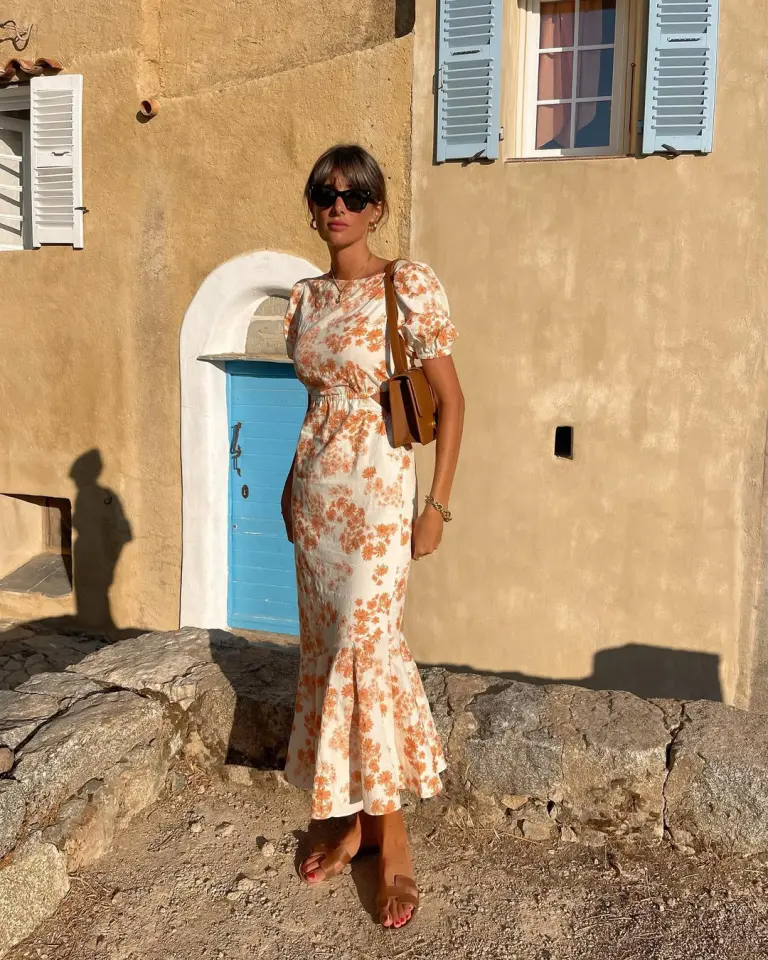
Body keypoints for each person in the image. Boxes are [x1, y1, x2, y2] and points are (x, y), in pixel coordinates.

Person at [280, 144, 464, 929]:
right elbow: (314, 406)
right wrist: (291, 484)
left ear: (377, 207)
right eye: (325, 193)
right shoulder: (303, 297)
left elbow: (453, 404)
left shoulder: (408, 283)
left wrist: (439, 508)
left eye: (353, 195)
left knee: (369, 647)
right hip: (318, 494)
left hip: (382, 493)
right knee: (326, 648)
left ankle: (391, 840)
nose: (338, 206)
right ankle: (345, 814)